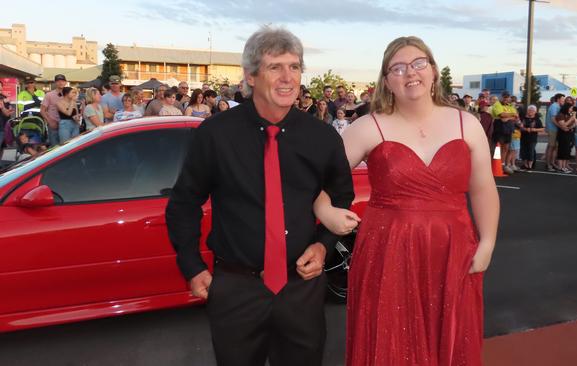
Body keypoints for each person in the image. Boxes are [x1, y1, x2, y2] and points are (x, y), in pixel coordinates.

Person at [165, 25, 354, 366]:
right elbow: (184, 202)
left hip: (302, 287)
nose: (287, 77)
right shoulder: (216, 135)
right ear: (251, 76)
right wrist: (192, 266)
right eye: (275, 67)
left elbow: (341, 193)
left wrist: (323, 245)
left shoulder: (322, 138)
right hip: (237, 289)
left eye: (294, 67)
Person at [315, 36, 498, 365]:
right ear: (386, 81)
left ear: (433, 71)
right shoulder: (367, 127)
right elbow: (319, 182)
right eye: (397, 68)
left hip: (453, 248)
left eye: (418, 63)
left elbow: (483, 188)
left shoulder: (466, 124)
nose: (409, 73)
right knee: (391, 342)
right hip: (387, 252)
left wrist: (487, 243)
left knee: (452, 336)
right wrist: (325, 210)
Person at [41, 74, 67, 146]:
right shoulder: (49, 95)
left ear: (65, 82)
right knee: (54, 148)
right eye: (58, 81)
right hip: (54, 126)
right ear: (55, 83)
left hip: (66, 125)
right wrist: (50, 121)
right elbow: (42, 110)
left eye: (62, 81)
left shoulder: (69, 94)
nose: (60, 83)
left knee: (65, 148)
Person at [520, 105, 544, 170]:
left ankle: (530, 165)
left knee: (531, 151)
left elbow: (542, 129)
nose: (531, 111)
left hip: (532, 138)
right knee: (523, 151)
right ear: (527, 111)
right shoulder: (523, 118)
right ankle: (525, 164)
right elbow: (519, 127)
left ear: (535, 112)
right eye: (529, 110)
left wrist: (534, 130)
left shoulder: (537, 120)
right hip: (523, 137)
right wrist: (524, 129)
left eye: (532, 110)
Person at [545, 93, 564, 172]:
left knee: (555, 147)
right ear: (558, 99)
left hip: (556, 129)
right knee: (551, 147)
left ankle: (552, 163)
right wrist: (561, 126)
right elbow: (553, 119)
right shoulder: (554, 106)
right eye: (562, 99)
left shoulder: (558, 106)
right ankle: (548, 165)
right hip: (552, 129)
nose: (563, 100)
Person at [555, 101, 577, 173]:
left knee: (566, 151)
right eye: (570, 108)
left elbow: (572, 125)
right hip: (562, 135)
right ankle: (560, 167)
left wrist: (573, 123)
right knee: (562, 151)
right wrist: (571, 120)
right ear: (566, 108)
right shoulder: (560, 115)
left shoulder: (569, 115)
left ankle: (564, 167)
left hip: (568, 134)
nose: (571, 110)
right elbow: (563, 125)